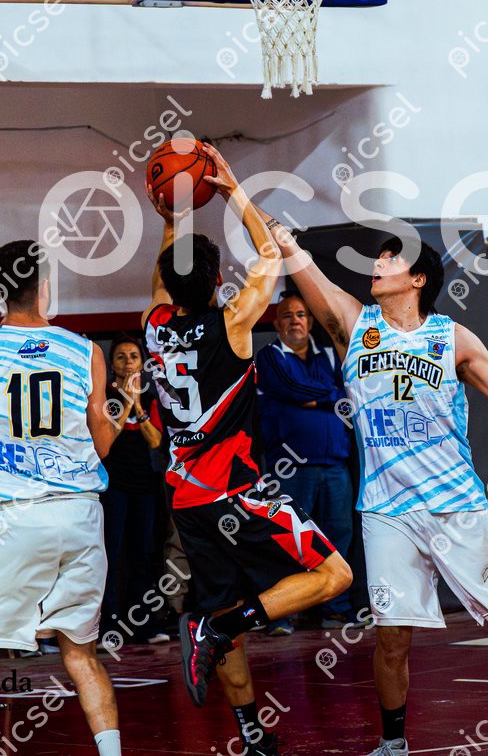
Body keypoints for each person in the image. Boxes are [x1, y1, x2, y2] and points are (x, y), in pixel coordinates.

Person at [256, 210, 488, 756]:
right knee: (391, 637)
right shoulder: (354, 324)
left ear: (417, 279)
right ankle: (392, 744)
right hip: (387, 510)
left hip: (456, 506)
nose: (378, 264)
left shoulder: (452, 338)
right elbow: (301, 263)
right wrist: (255, 212)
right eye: (378, 257)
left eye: (391, 260)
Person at [142, 145, 351, 755]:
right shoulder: (231, 326)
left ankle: (253, 735)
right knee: (334, 575)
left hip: (187, 499)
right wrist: (232, 188)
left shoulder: (154, 326)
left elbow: (162, 279)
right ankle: (216, 628)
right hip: (236, 492)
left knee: (224, 601)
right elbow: (269, 254)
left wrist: (174, 217)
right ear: (215, 282)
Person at [0, 239, 122, 756]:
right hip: (81, 515)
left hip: (18, 519)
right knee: (81, 654)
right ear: (45, 288)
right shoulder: (85, 350)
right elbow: (103, 445)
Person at [257, 290, 356, 633]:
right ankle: (281, 615)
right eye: (287, 315)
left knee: (338, 536)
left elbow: (352, 396)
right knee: (288, 540)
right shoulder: (269, 357)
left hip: (335, 465)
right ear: (276, 323)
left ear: (310, 321)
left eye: (300, 314)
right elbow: (294, 390)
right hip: (289, 468)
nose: (295, 321)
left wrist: (320, 398)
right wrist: (331, 395)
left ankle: (336, 610)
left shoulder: (329, 355)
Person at [101, 335, 169, 645]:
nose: (128, 362)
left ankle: (145, 625)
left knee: (144, 554)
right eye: (121, 357)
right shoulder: (104, 397)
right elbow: (106, 441)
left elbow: (155, 441)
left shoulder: (153, 398)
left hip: (145, 486)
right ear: (112, 365)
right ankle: (108, 628)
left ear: (142, 363)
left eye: (133, 356)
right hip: (113, 486)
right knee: (111, 555)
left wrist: (138, 405)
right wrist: (127, 402)